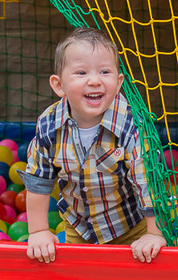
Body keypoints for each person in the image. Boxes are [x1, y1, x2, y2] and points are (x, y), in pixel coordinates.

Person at [21, 28, 167, 264]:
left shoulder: (131, 125)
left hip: (131, 227)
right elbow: (39, 179)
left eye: (105, 72)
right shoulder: (49, 125)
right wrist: (38, 231)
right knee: (80, 279)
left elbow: (147, 182)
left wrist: (154, 234)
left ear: (118, 83)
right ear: (59, 85)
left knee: (139, 275)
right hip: (80, 226)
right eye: (81, 72)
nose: (95, 80)